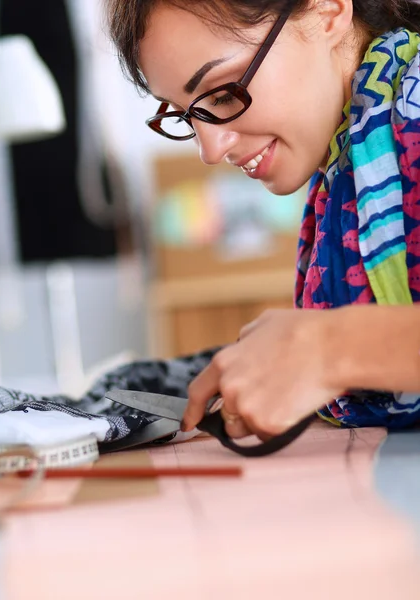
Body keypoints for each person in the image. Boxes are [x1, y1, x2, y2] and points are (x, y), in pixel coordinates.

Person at [104, 0, 420, 439]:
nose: (210, 150)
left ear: (328, 11)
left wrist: (331, 347)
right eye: (184, 115)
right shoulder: (348, 156)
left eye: (223, 93)